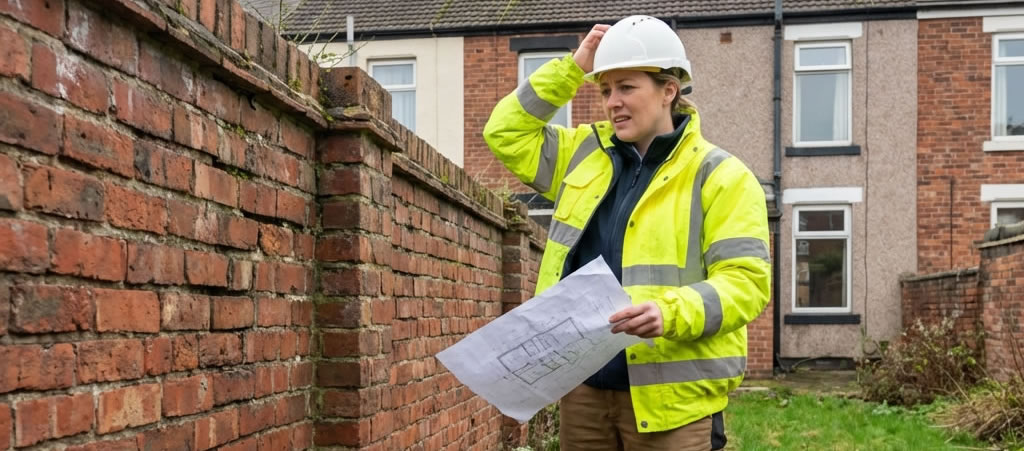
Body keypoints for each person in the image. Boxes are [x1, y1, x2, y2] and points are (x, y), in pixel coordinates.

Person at [483, 15, 772, 451]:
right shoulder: (581, 154)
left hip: (673, 400)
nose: (612, 102)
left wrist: (669, 312)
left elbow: (747, 282)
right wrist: (573, 68)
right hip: (585, 391)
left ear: (668, 91)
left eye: (627, 88)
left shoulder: (721, 176)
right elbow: (505, 133)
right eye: (605, 90)